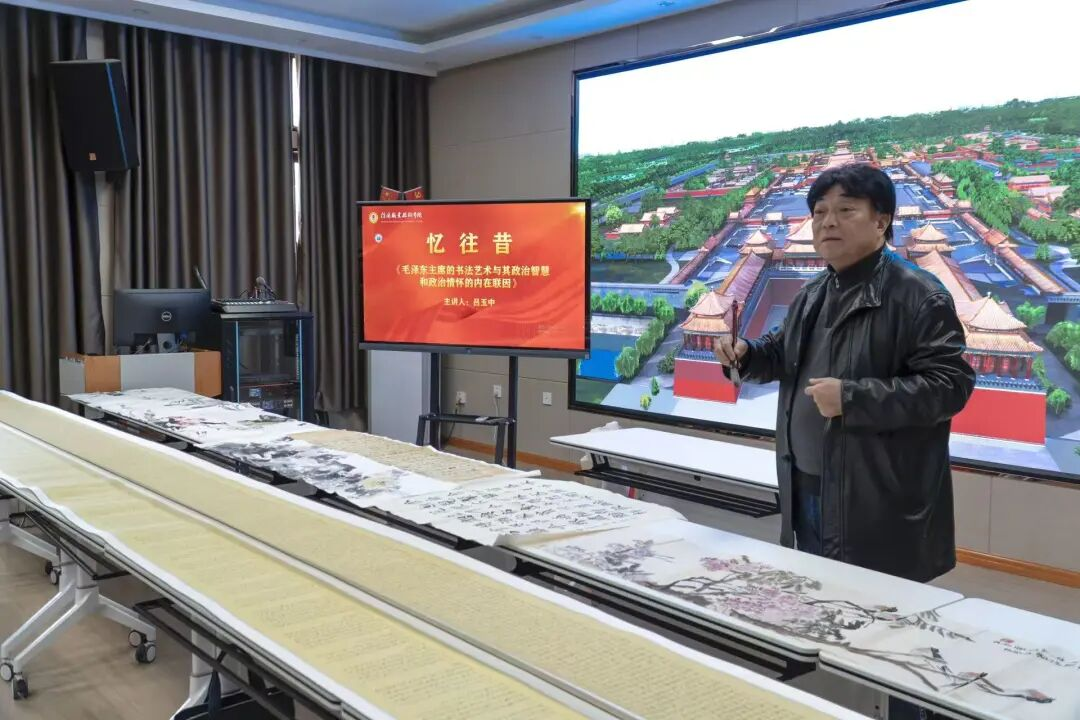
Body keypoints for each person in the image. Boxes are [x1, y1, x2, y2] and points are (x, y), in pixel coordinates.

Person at [715, 163, 975, 584]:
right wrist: (745, 354)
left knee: (874, 608)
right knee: (818, 595)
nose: (828, 222)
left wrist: (852, 398)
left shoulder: (918, 294)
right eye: (819, 212)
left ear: (881, 221)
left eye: (846, 210)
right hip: (806, 483)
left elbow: (950, 386)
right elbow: (780, 354)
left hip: (873, 499)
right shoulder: (814, 292)